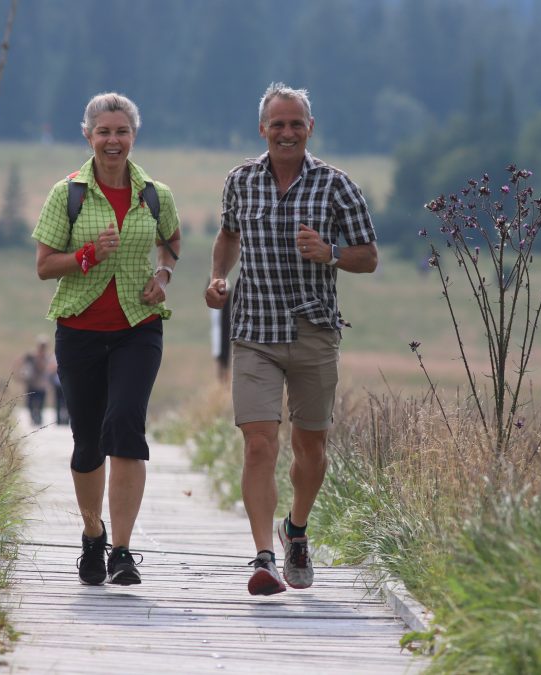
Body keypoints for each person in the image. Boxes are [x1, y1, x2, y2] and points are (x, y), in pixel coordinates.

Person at [204, 83, 378, 596]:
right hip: (255, 328)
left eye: (295, 123)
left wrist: (330, 253)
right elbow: (229, 234)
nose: (286, 132)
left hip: (313, 331)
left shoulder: (336, 186)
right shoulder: (241, 180)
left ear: (310, 128)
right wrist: (218, 277)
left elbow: (369, 256)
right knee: (259, 443)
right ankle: (263, 557)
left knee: (312, 449)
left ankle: (295, 531)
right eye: (277, 124)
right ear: (263, 129)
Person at [33, 92, 181, 586]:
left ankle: (122, 550)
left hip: (139, 327)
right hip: (79, 331)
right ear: (88, 135)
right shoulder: (67, 193)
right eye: (104, 132)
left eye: (121, 132)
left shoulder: (155, 194)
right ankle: (92, 534)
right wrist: (88, 254)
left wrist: (162, 274)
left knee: (126, 427)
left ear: (133, 136)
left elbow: (172, 242)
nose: (113, 141)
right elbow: (43, 265)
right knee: (87, 441)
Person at [19, 336, 49, 426]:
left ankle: (38, 417)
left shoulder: (47, 357)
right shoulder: (31, 355)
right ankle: (33, 417)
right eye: (41, 345)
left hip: (42, 384)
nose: (42, 347)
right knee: (30, 403)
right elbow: (21, 362)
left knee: (40, 403)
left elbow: (45, 368)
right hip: (32, 383)